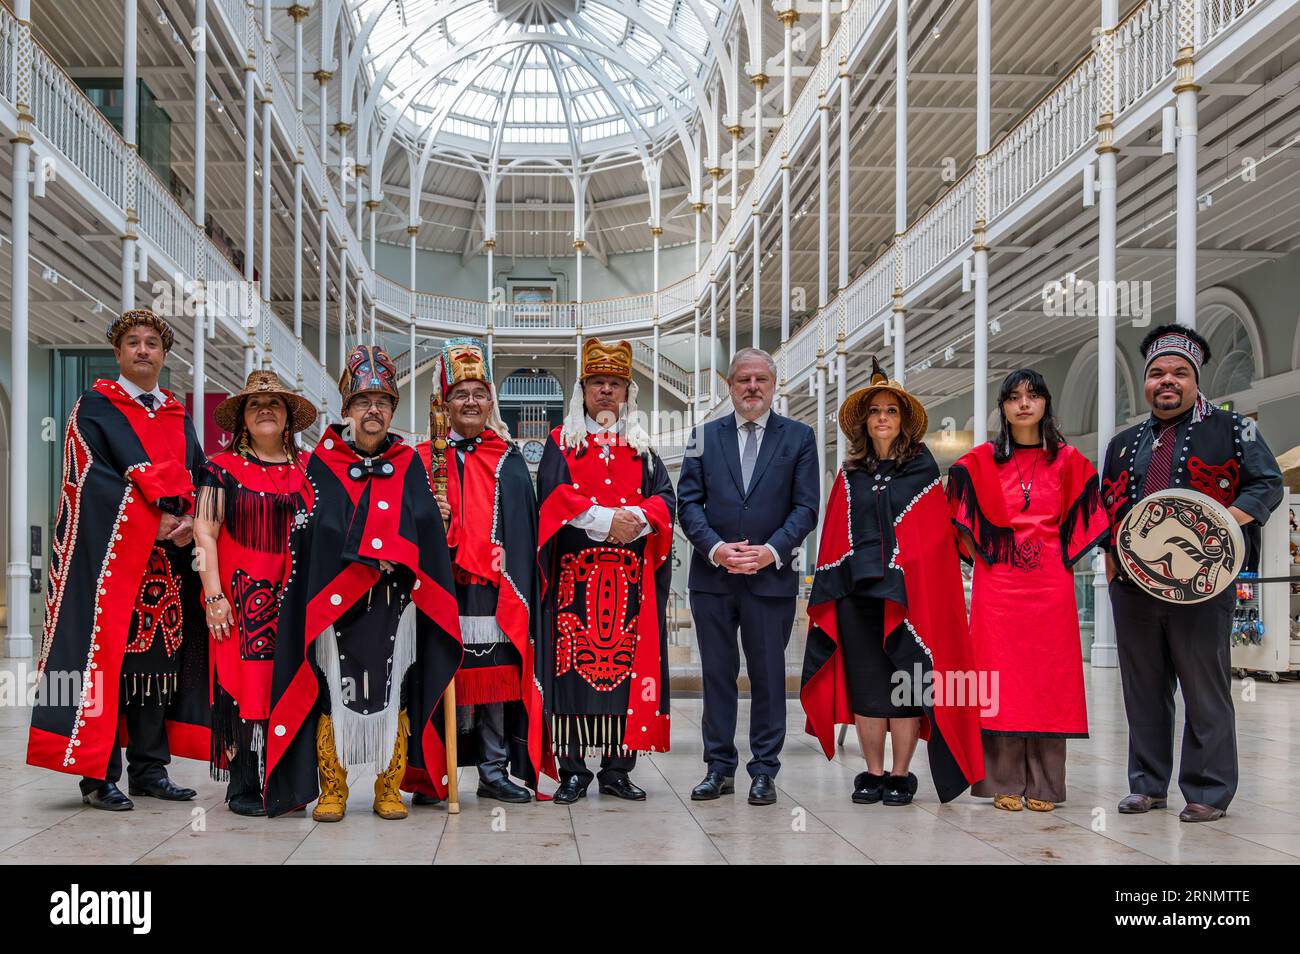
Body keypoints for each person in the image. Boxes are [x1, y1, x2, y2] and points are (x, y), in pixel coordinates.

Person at [263, 345, 462, 820]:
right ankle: (334, 787)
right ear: (348, 409)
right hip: (336, 605)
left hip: (395, 603)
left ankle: (388, 786)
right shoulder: (321, 463)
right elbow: (311, 529)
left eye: (383, 402)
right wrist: (366, 550)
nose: (373, 410)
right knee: (333, 690)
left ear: (392, 410)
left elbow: (422, 525)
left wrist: (424, 530)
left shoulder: (410, 462)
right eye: (363, 401)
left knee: (395, 688)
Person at [28, 309, 209, 810]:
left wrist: (191, 518)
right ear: (118, 352)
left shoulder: (175, 414)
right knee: (100, 669)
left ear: (164, 355)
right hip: (107, 564)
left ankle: (150, 770)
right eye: (134, 342)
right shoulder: (95, 409)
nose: (144, 350)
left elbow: (196, 474)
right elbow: (89, 480)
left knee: (154, 668)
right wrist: (148, 523)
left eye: (153, 342)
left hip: (165, 570)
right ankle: (97, 776)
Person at [1102, 324, 1283, 823]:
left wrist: (1224, 520)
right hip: (1134, 588)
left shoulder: (1233, 428)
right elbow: (1106, 510)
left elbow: (1267, 485)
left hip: (1204, 587)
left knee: (1205, 689)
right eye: (1157, 372)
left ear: (1195, 380)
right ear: (1146, 382)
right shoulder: (1122, 443)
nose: (1168, 380)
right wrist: (1110, 556)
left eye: (1180, 372)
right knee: (1143, 688)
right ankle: (1147, 785)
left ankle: (1208, 789)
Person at [801, 357, 984, 806]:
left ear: (902, 422)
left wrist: (904, 568)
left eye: (891, 411)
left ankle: (901, 775)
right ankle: (873, 772)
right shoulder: (849, 474)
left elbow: (931, 536)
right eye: (875, 410)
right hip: (856, 596)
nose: (882, 417)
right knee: (867, 686)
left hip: (907, 598)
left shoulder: (921, 470)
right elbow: (834, 534)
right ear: (865, 421)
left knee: (906, 687)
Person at [946, 369, 1109, 812]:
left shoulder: (1070, 461)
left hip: (1049, 586)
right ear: (1002, 407)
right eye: (1013, 397)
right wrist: (981, 551)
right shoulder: (979, 462)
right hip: (997, 586)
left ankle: (1045, 784)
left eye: (1033, 395)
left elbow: (1090, 515)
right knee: (999, 678)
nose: (1023, 404)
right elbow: (957, 512)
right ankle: (1003, 779)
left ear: (1045, 404)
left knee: (1048, 679)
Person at [536, 337, 675, 804]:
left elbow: (665, 500)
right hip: (575, 586)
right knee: (573, 669)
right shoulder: (560, 442)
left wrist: (634, 520)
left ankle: (618, 768)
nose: (606, 391)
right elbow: (552, 497)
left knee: (626, 673)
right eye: (597, 382)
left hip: (632, 588)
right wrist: (602, 518)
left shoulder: (644, 446)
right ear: (583, 389)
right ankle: (573, 768)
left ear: (626, 392)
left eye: (614, 384)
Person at [677, 347, 819, 806]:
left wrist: (771, 550)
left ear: (773, 386)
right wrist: (717, 549)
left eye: (761, 379)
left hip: (770, 578)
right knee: (717, 675)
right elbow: (688, 504)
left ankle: (763, 770)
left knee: (767, 675)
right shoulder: (703, 436)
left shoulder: (799, 438)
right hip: (713, 579)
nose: (752, 387)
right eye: (743, 379)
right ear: (730, 386)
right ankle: (718, 768)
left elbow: (806, 507)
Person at [414, 337, 545, 804]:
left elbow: (523, 530)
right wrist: (433, 519)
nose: (470, 402)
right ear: (444, 402)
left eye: (478, 393)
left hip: (494, 589)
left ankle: (493, 770)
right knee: (436, 676)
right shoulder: (424, 459)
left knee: (494, 682)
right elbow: (405, 527)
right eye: (460, 393)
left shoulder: (509, 459)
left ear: (491, 400)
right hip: (440, 587)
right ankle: (436, 772)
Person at [193, 370, 316, 816]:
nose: (265, 410)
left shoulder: (309, 471)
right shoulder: (218, 469)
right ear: (242, 419)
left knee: (291, 679)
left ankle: (286, 777)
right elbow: (205, 533)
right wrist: (212, 594)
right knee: (242, 685)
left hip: (296, 595)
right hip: (237, 599)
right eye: (254, 405)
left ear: (288, 419)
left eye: (275, 405)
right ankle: (245, 779)